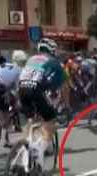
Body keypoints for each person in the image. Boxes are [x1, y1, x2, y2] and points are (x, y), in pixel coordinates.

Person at [17, 38, 66, 169]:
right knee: (50, 119)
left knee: (31, 121)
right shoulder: (55, 63)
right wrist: (65, 105)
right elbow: (63, 88)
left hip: (22, 90)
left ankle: (25, 153)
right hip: (36, 90)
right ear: (53, 50)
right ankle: (40, 150)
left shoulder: (31, 60)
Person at [0, 50, 28, 148]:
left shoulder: (5, 64)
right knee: (10, 111)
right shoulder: (21, 71)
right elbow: (18, 90)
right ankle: (2, 139)